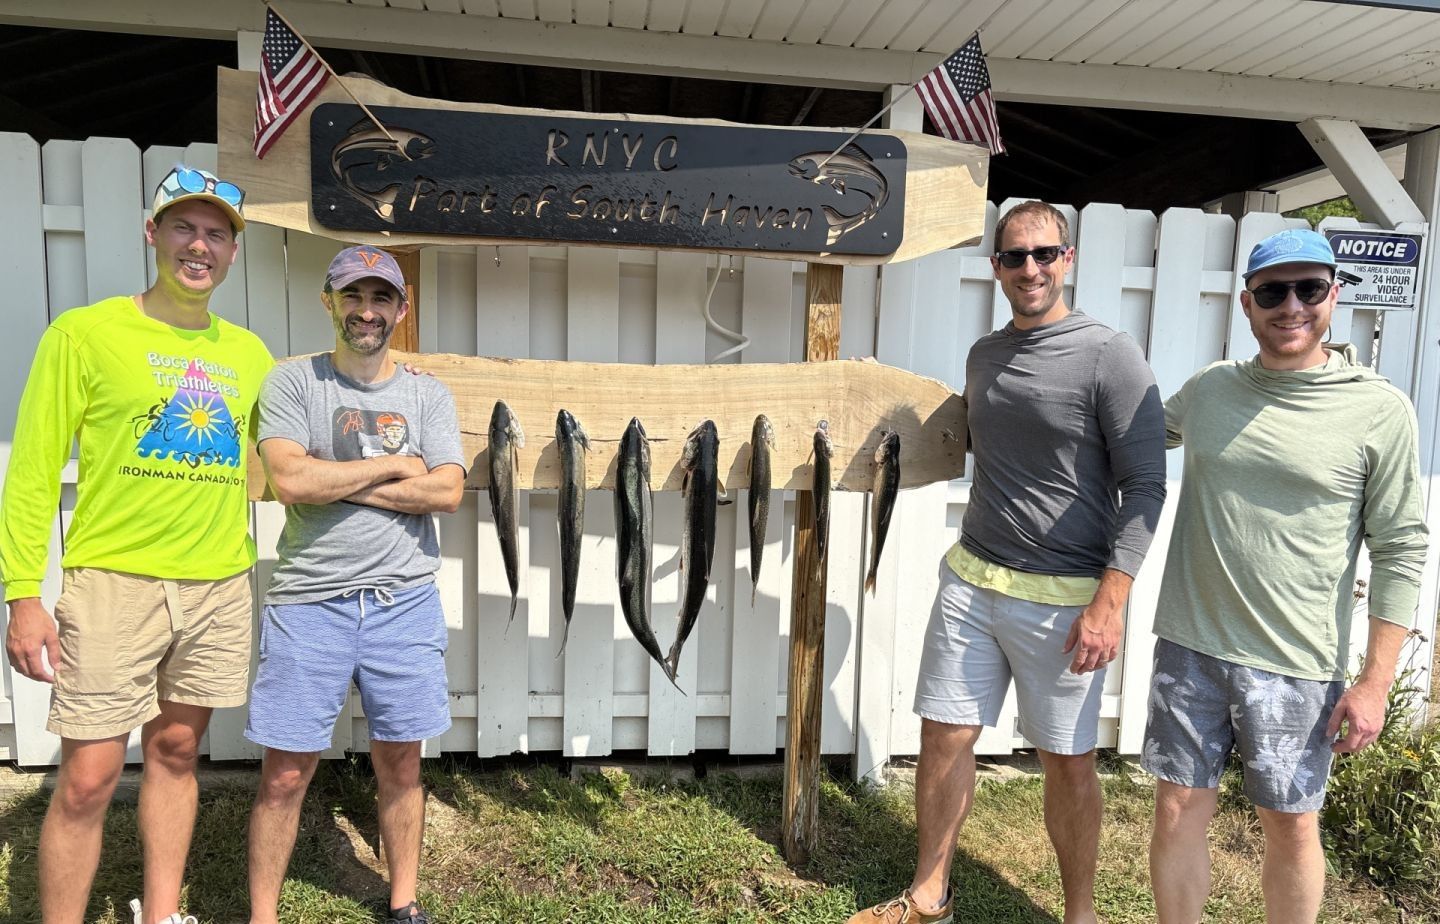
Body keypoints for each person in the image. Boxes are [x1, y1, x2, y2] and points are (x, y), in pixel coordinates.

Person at [848, 200, 1168, 924]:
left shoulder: (1109, 356)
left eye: (1044, 254)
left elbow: (1145, 485)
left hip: (1065, 599)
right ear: (995, 267)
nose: (1031, 269)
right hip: (973, 579)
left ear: (1068, 259)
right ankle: (930, 894)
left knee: (1066, 760)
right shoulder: (985, 354)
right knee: (944, 734)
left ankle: (1080, 913)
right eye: (1014, 257)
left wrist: (1109, 603)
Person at [1, 166, 272, 924]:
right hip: (113, 583)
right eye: (184, 227)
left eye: (217, 234)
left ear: (232, 253)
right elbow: (30, 471)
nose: (200, 245)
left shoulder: (249, 354)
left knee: (178, 755)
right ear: (151, 234)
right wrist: (24, 594)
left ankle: (161, 915)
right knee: (87, 778)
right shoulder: (83, 334)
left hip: (218, 585)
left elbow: (266, 469)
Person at [1144, 228, 1428, 924]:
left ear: (1334, 294)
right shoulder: (1211, 390)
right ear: (1247, 303)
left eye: (1308, 289)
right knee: (1178, 806)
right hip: (1191, 644)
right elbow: (1128, 437)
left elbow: (1402, 547)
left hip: (1297, 663)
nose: (1290, 306)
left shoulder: (1379, 410)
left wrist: (1374, 682)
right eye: (1273, 291)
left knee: (1290, 823)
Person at [245, 245, 465, 924]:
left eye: (380, 299)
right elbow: (289, 480)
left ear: (402, 308)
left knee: (401, 763)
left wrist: (335, 481)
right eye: (352, 297)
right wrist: (396, 466)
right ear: (329, 302)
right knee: (285, 773)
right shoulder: (293, 385)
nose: (366, 312)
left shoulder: (428, 393)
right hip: (309, 603)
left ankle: (403, 905)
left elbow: (449, 491)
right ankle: (263, 916)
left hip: (404, 602)